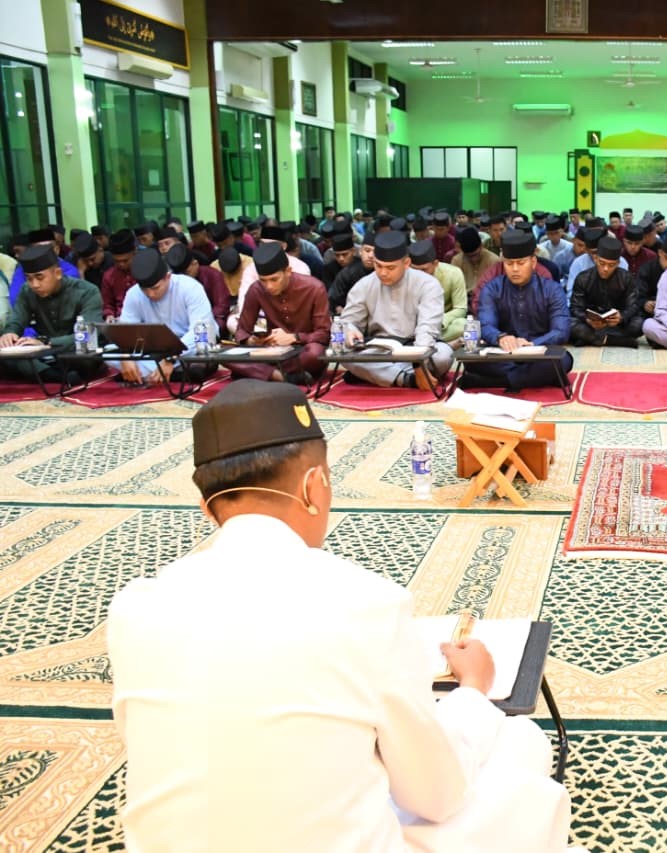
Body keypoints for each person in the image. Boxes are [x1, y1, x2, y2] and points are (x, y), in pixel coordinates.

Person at [107, 379, 573, 852]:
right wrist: (472, 689)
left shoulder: (132, 607)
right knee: (520, 745)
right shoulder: (367, 603)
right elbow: (437, 795)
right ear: (315, 485)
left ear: (207, 508)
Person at [339, 231, 453, 391]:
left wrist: (418, 362)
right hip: (379, 350)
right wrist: (350, 330)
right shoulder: (364, 285)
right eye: (378, 265)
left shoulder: (428, 284)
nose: (383, 273)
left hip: (415, 346)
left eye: (390, 267)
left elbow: (427, 328)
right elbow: (348, 322)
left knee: (444, 355)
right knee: (343, 351)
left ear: (406, 263)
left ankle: (379, 375)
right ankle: (405, 379)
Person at [468, 230, 573, 390]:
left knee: (564, 360)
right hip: (503, 353)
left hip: (538, 352)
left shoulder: (552, 290)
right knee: (471, 360)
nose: (515, 269)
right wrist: (501, 337)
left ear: (533, 262)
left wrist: (531, 344)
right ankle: (534, 378)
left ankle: (494, 382)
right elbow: (485, 324)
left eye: (521, 263)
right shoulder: (492, 288)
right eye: (509, 264)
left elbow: (561, 331)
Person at [0, 244, 105, 385]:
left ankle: (44, 373)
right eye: (29, 279)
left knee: (85, 355)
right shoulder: (27, 291)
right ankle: (54, 376)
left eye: (40, 277)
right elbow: (17, 320)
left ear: (58, 274)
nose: (34, 285)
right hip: (45, 355)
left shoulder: (87, 291)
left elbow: (88, 336)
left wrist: (48, 343)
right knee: (8, 357)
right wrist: (9, 333)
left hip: (75, 352)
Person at [231, 242, 332, 385]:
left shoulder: (315, 288)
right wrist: (252, 341)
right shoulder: (256, 289)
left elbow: (324, 334)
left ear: (288, 271)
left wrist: (294, 337)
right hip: (271, 352)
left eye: (274, 279)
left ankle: (257, 372)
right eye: (263, 280)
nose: (269, 286)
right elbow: (242, 330)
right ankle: (280, 376)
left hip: (302, 351)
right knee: (226, 354)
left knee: (315, 353)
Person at [115, 248, 218, 387]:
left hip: (189, 348)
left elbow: (199, 331)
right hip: (155, 351)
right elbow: (126, 331)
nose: (150, 294)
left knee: (201, 354)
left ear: (167, 277)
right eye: (145, 290)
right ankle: (170, 373)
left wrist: (171, 358)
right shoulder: (134, 294)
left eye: (155, 288)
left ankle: (150, 372)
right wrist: (125, 356)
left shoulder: (190, 287)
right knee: (109, 353)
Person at [569, 235, 643, 347]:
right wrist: (587, 319)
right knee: (569, 323)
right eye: (602, 263)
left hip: (616, 324)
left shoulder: (626, 278)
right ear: (596, 259)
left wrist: (621, 317)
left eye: (611, 265)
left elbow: (633, 306)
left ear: (618, 263)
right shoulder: (583, 278)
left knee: (639, 324)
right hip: (591, 324)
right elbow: (575, 307)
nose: (606, 269)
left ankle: (591, 338)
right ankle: (615, 340)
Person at [409, 240, 469, 345]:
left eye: (424, 270)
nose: (419, 275)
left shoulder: (453, 273)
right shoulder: (405, 276)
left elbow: (461, 308)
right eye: (415, 270)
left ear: (435, 264)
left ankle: (423, 340)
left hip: (442, 324)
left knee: (463, 325)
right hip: (412, 325)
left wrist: (439, 321)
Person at [166, 243, 231, 335]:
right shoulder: (174, 282)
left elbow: (222, 305)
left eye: (186, 273)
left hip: (211, 319)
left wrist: (200, 318)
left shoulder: (212, 275)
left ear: (195, 264)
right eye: (180, 275)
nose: (183, 278)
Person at [633, 234, 667, 320]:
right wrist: (646, 303)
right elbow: (639, 295)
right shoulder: (647, 269)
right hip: (650, 313)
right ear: (660, 253)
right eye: (666, 257)